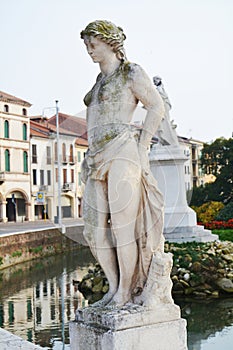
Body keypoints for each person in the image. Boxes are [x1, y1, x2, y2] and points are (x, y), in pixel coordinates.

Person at [80, 20, 165, 308]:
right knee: (93, 230)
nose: (89, 50)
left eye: (94, 44)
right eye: (86, 45)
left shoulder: (131, 72)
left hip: (123, 150)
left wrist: (143, 146)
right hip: (95, 157)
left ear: (111, 43)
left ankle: (126, 292)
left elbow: (156, 106)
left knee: (122, 225)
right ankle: (114, 287)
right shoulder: (98, 82)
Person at [153, 75, 179, 146]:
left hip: (163, 109)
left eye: (155, 81)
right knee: (159, 124)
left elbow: (163, 98)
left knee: (164, 124)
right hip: (159, 109)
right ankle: (162, 140)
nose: (154, 82)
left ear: (159, 80)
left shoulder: (160, 89)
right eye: (154, 81)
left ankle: (166, 140)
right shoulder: (158, 89)